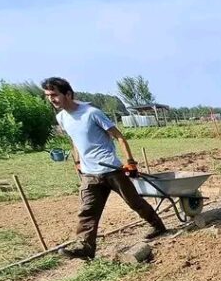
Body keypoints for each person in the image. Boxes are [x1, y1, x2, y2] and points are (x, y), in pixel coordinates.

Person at [41, 77, 166, 260]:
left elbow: (119, 136)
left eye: (54, 94)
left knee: (134, 202)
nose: (51, 99)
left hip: (111, 169)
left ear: (68, 94)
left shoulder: (92, 113)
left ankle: (157, 225)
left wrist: (130, 161)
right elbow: (75, 141)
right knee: (87, 211)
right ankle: (85, 247)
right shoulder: (61, 118)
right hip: (89, 173)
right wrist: (78, 162)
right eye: (48, 95)